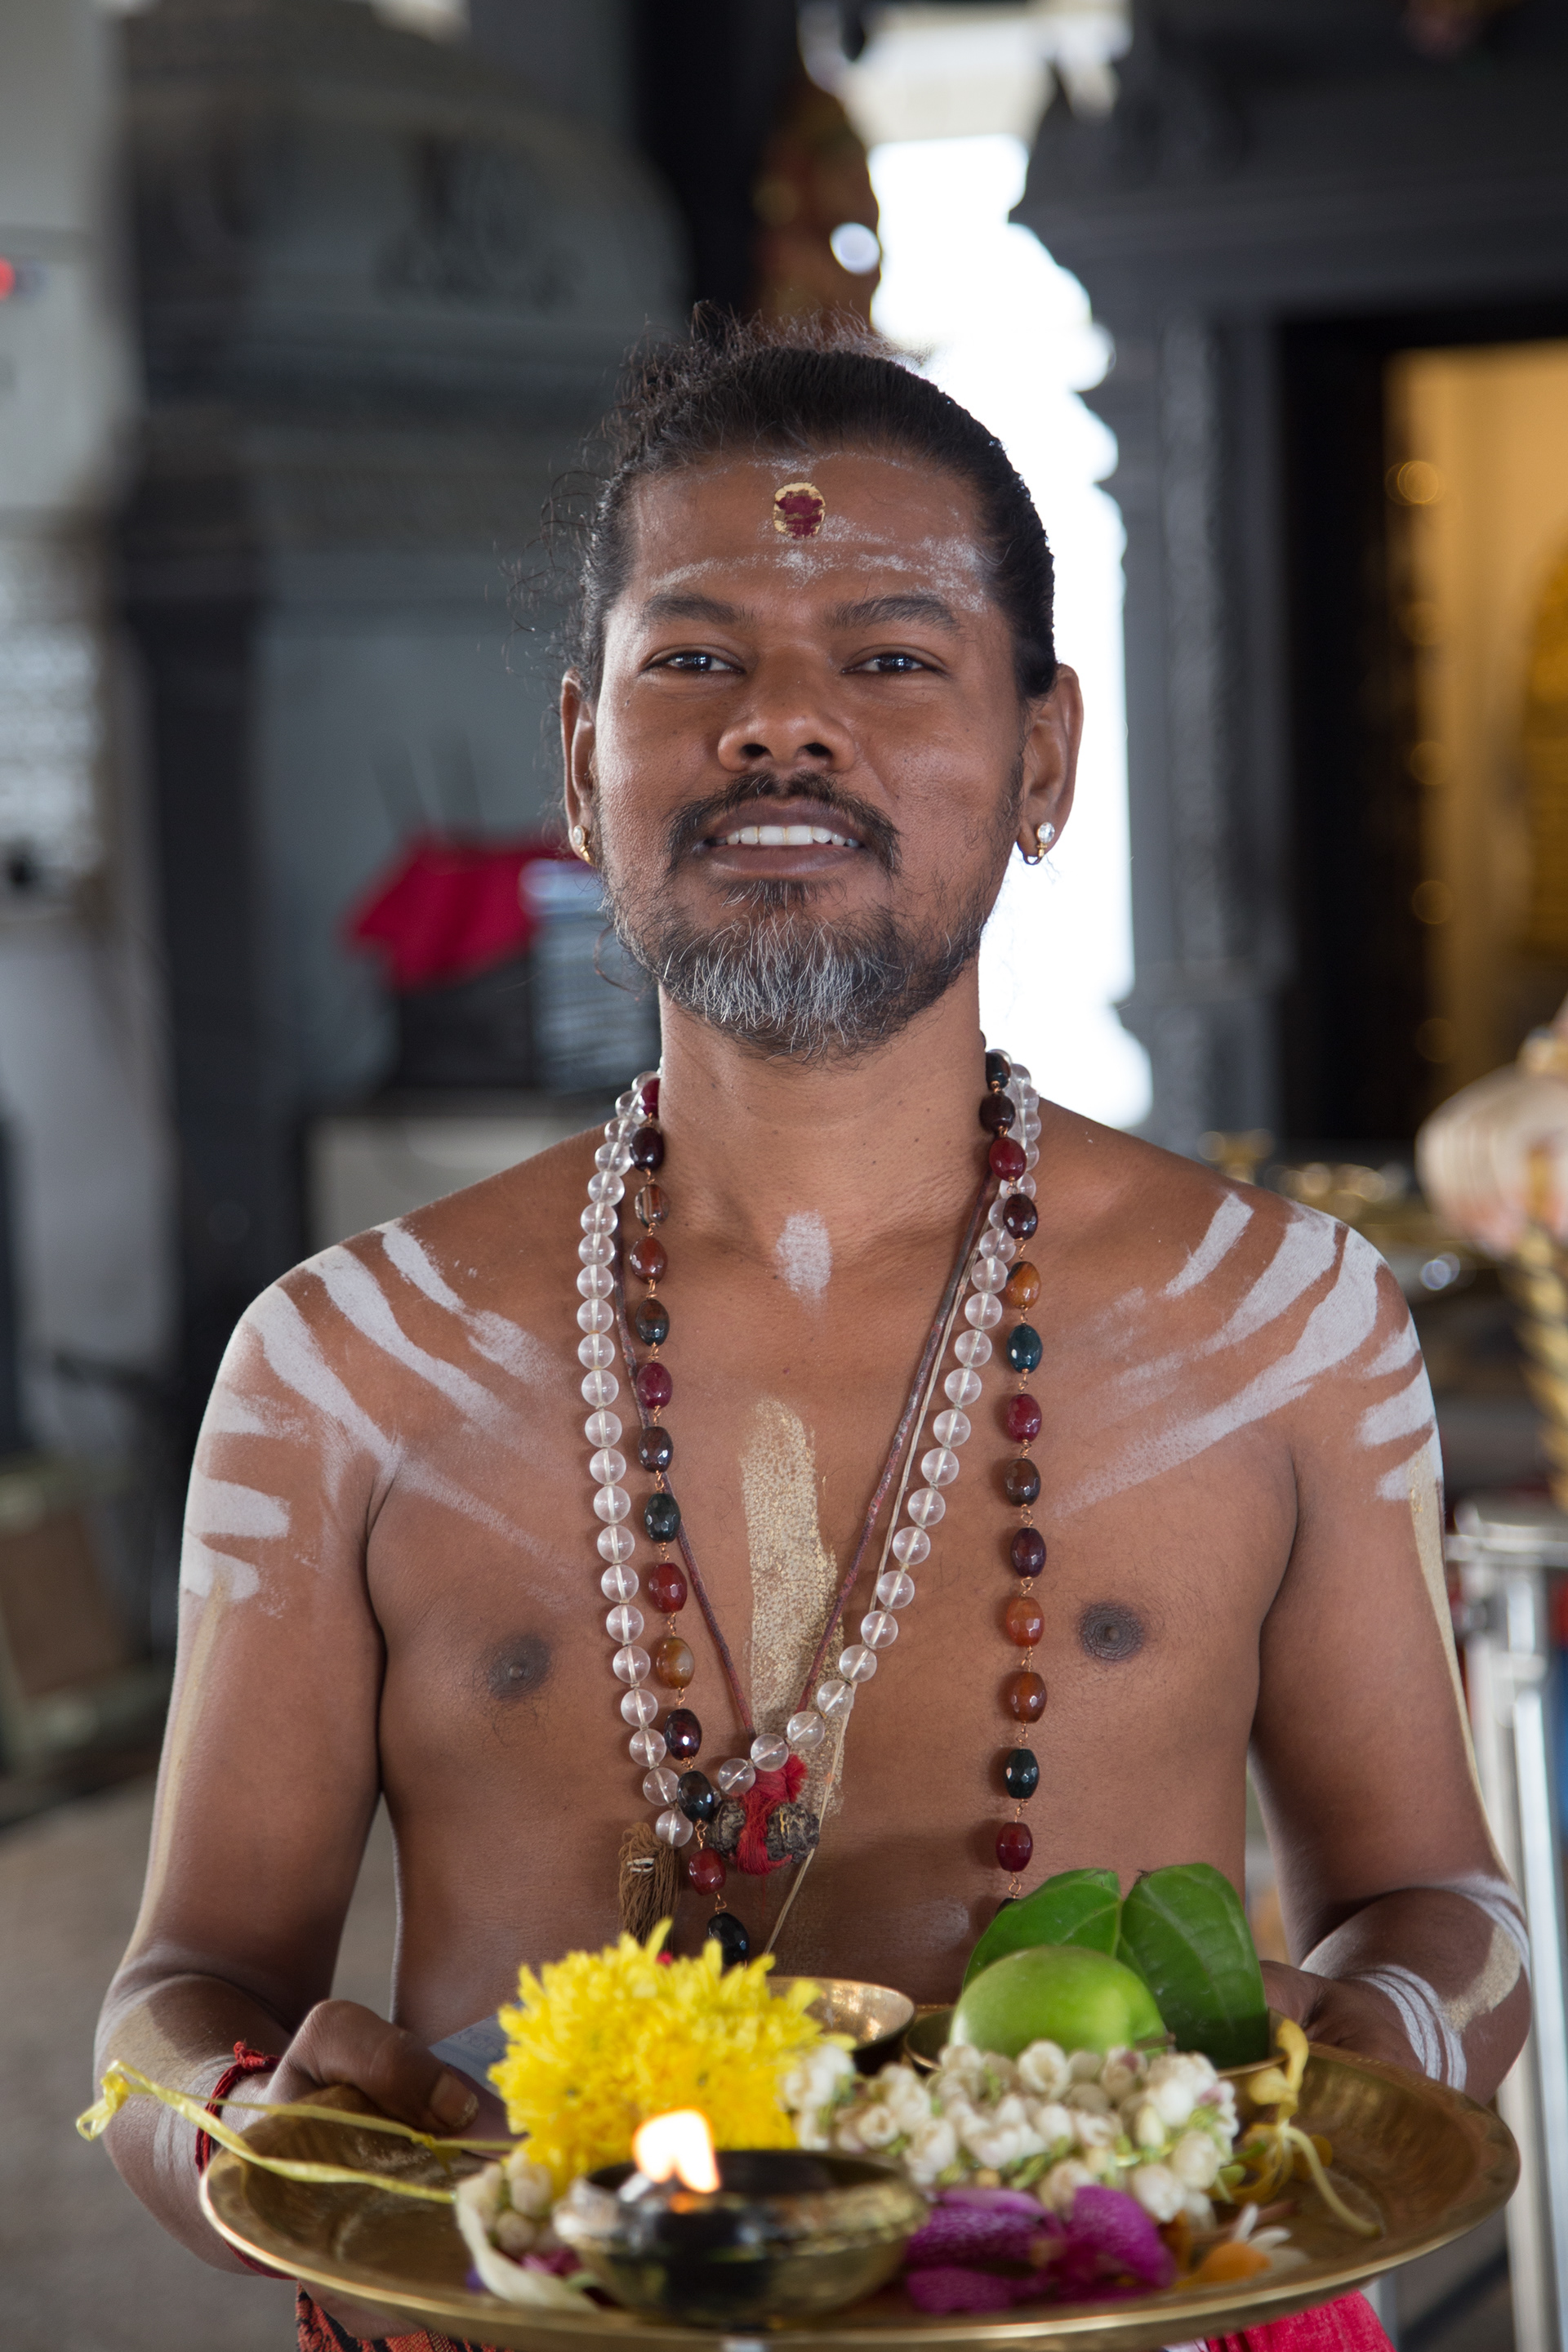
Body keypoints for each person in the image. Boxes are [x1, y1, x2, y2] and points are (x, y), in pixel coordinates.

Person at [97, 323, 1528, 2351]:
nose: (783, 728)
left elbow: (1453, 1920)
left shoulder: (1283, 1326)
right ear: (577, 763)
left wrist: (1352, 2041)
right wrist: (263, 2130)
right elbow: (175, 2001)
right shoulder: (346, 1368)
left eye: (889, 656)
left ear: (1043, 760)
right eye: (696, 662)